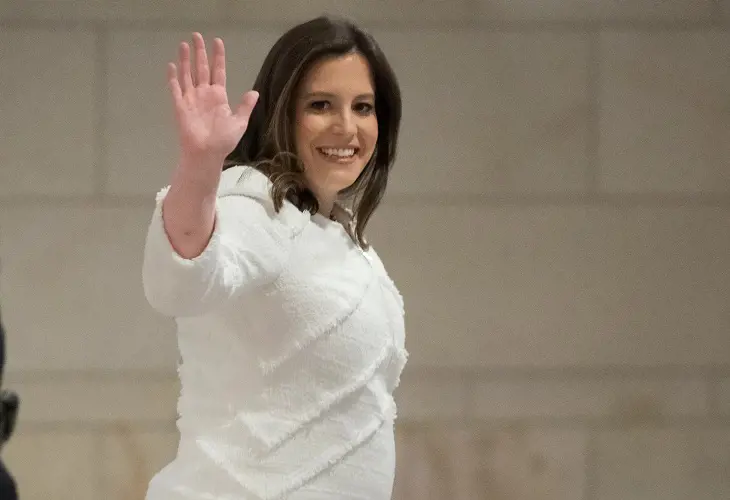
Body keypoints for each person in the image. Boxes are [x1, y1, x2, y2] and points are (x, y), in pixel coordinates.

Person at [142, 15, 408, 500]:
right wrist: (199, 167)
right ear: (283, 111)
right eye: (321, 104)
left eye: (364, 107)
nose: (346, 126)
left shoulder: (335, 234)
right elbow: (181, 282)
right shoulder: (256, 199)